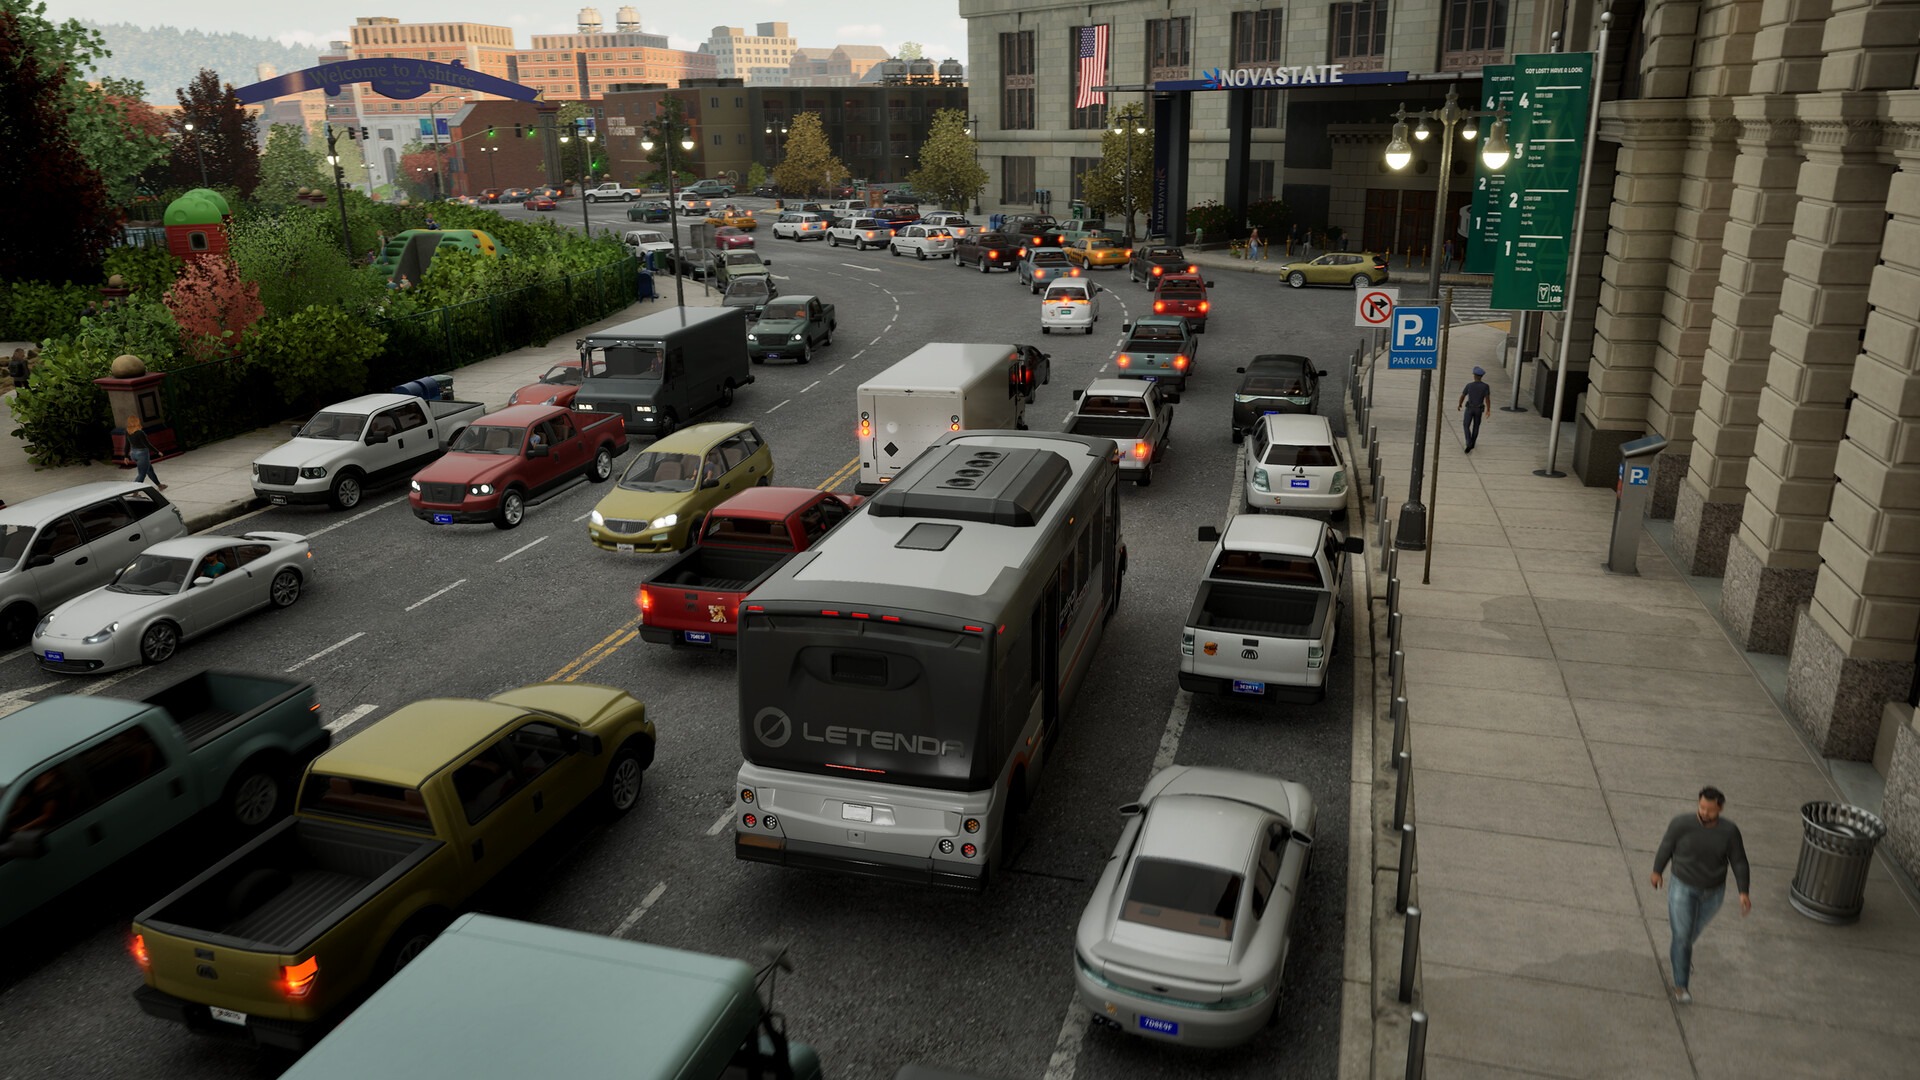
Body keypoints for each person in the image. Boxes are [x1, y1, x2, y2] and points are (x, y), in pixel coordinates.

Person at [1651, 786, 1750, 1003]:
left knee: (1687, 935)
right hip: (1682, 888)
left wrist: (1743, 891)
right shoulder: (1681, 824)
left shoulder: (1729, 832)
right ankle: (1681, 986)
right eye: (1702, 807)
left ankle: (1681, 956)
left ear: (1720, 808)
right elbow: (1666, 846)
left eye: (1710, 810)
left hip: (1713, 894)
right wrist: (1657, 871)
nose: (1704, 813)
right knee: (1682, 936)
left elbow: (1739, 860)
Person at [1457, 366, 1492, 453]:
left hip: (1470, 408)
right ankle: (1472, 443)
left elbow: (1463, 396)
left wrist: (1460, 404)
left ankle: (1468, 442)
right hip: (1478, 409)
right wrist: (1488, 409)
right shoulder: (1485, 386)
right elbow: (1487, 399)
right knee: (1476, 426)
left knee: (1466, 425)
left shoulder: (1469, 385)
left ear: (1474, 376)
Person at [125, 415, 165, 490]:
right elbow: (147, 444)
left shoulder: (128, 432)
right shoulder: (140, 433)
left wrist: (126, 456)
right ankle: (134, 491)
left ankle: (159, 485)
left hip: (133, 453)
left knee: (149, 470)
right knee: (142, 474)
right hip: (142, 454)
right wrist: (157, 452)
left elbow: (127, 444)